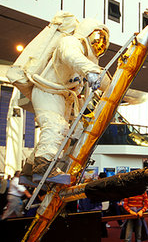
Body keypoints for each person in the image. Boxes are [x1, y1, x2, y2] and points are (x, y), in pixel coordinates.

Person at [22, 17, 110, 181]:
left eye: (102, 43)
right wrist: (90, 71)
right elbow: (71, 56)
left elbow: (99, 74)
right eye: (97, 39)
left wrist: (112, 90)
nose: (98, 45)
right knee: (55, 126)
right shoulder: (70, 42)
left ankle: (29, 170)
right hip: (47, 91)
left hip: (61, 97)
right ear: (86, 33)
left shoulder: (86, 60)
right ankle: (43, 168)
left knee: (60, 135)